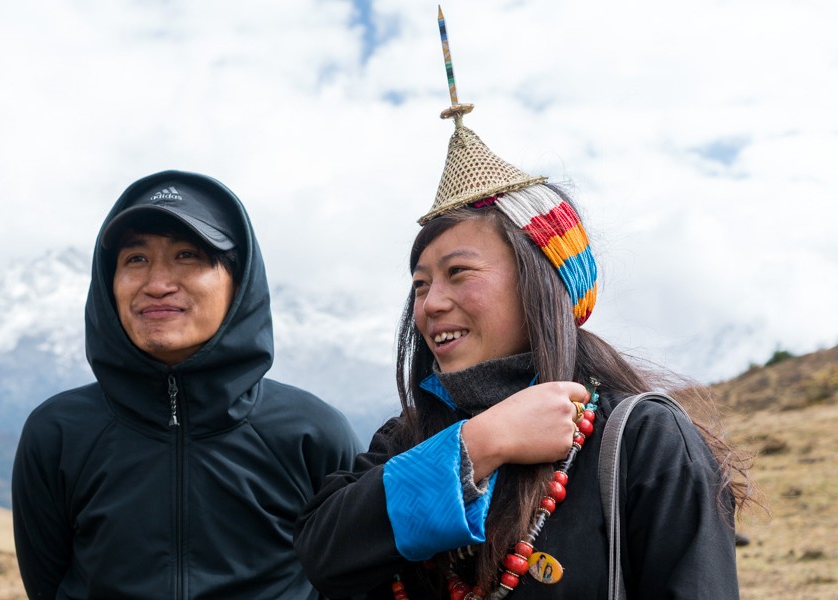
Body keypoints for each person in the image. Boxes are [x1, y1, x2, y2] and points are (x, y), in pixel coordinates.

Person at [294, 32, 752, 599]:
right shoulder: (407, 439)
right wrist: (480, 445)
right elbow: (324, 554)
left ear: (541, 286)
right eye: (419, 284)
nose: (430, 303)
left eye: (459, 273)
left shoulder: (640, 441)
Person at [12, 170, 362, 599]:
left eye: (188, 255)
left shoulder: (312, 434)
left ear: (240, 281)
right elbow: (46, 584)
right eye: (135, 259)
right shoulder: (58, 433)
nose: (157, 285)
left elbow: (347, 581)